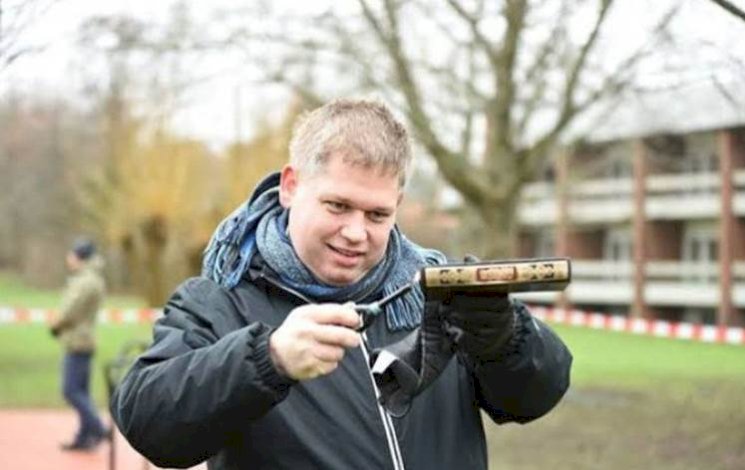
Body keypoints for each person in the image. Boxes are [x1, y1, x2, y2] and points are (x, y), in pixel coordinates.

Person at [110, 99, 572, 469]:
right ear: (291, 186)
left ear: (398, 204)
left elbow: (535, 397)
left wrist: (504, 339)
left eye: (377, 215)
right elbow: (149, 423)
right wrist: (266, 360)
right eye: (337, 206)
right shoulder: (221, 301)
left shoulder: (441, 293)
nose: (356, 232)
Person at [50, 238, 109, 451]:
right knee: (81, 390)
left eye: (72, 254)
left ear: (79, 256)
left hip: (78, 340)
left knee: (71, 390)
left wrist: (56, 323)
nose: (69, 259)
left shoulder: (86, 280)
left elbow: (70, 310)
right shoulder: (91, 278)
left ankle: (98, 428)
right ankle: (85, 437)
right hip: (83, 339)